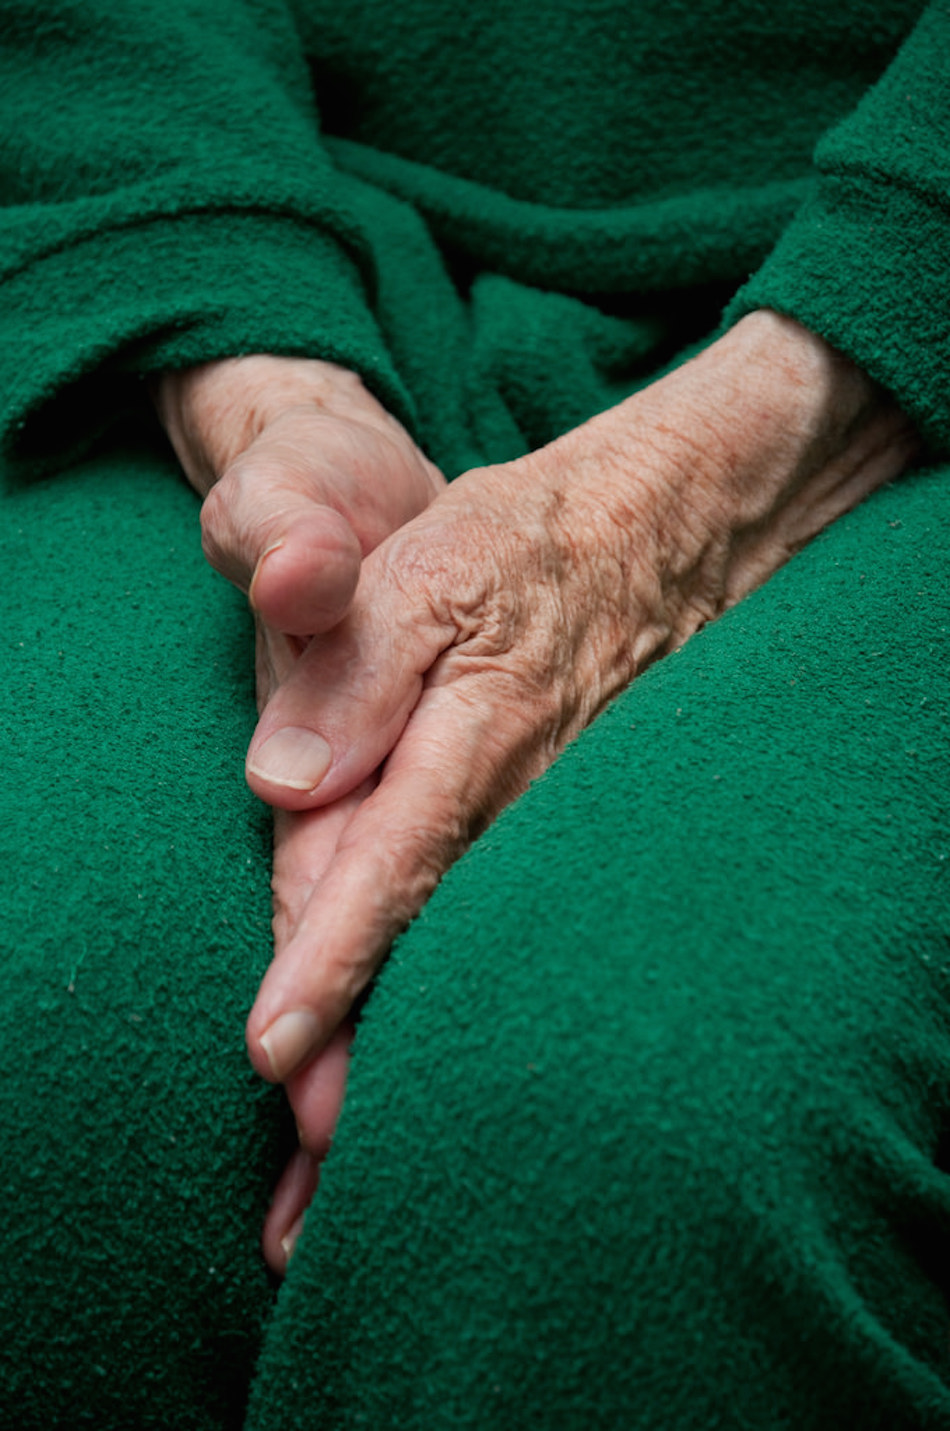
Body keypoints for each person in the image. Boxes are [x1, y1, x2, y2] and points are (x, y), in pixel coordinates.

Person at [1, 0, 949, 1427]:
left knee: (629, 1103)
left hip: (904, 297)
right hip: (227, 211)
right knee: (62, 1010)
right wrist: (250, 355)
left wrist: (774, 406)